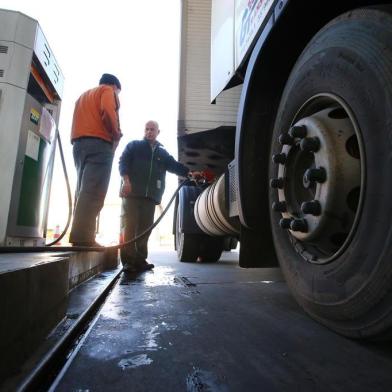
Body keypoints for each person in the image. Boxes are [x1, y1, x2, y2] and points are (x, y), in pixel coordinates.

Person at [119, 120, 198, 272]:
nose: (149, 132)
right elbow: (123, 163)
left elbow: (174, 166)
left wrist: (189, 173)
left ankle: (140, 260)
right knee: (128, 228)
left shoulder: (162, 153)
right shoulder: (134, 146)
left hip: (150, 197)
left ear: (158, 132)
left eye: (152, 129)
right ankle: (128, 262)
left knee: (145, 229)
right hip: (132, 195)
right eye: (147, 129)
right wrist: (126, 181)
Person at [69, 73, 122, 246]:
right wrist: (115, 134)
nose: (117, 97)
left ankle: (79, 235)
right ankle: (83, 238)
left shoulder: (83, 96)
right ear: (114, 86)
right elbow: (107, 110)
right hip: (99, 144)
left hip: (79, 145)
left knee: (83, 190)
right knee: (94, 191)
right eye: (118, 93)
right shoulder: (107, 90)